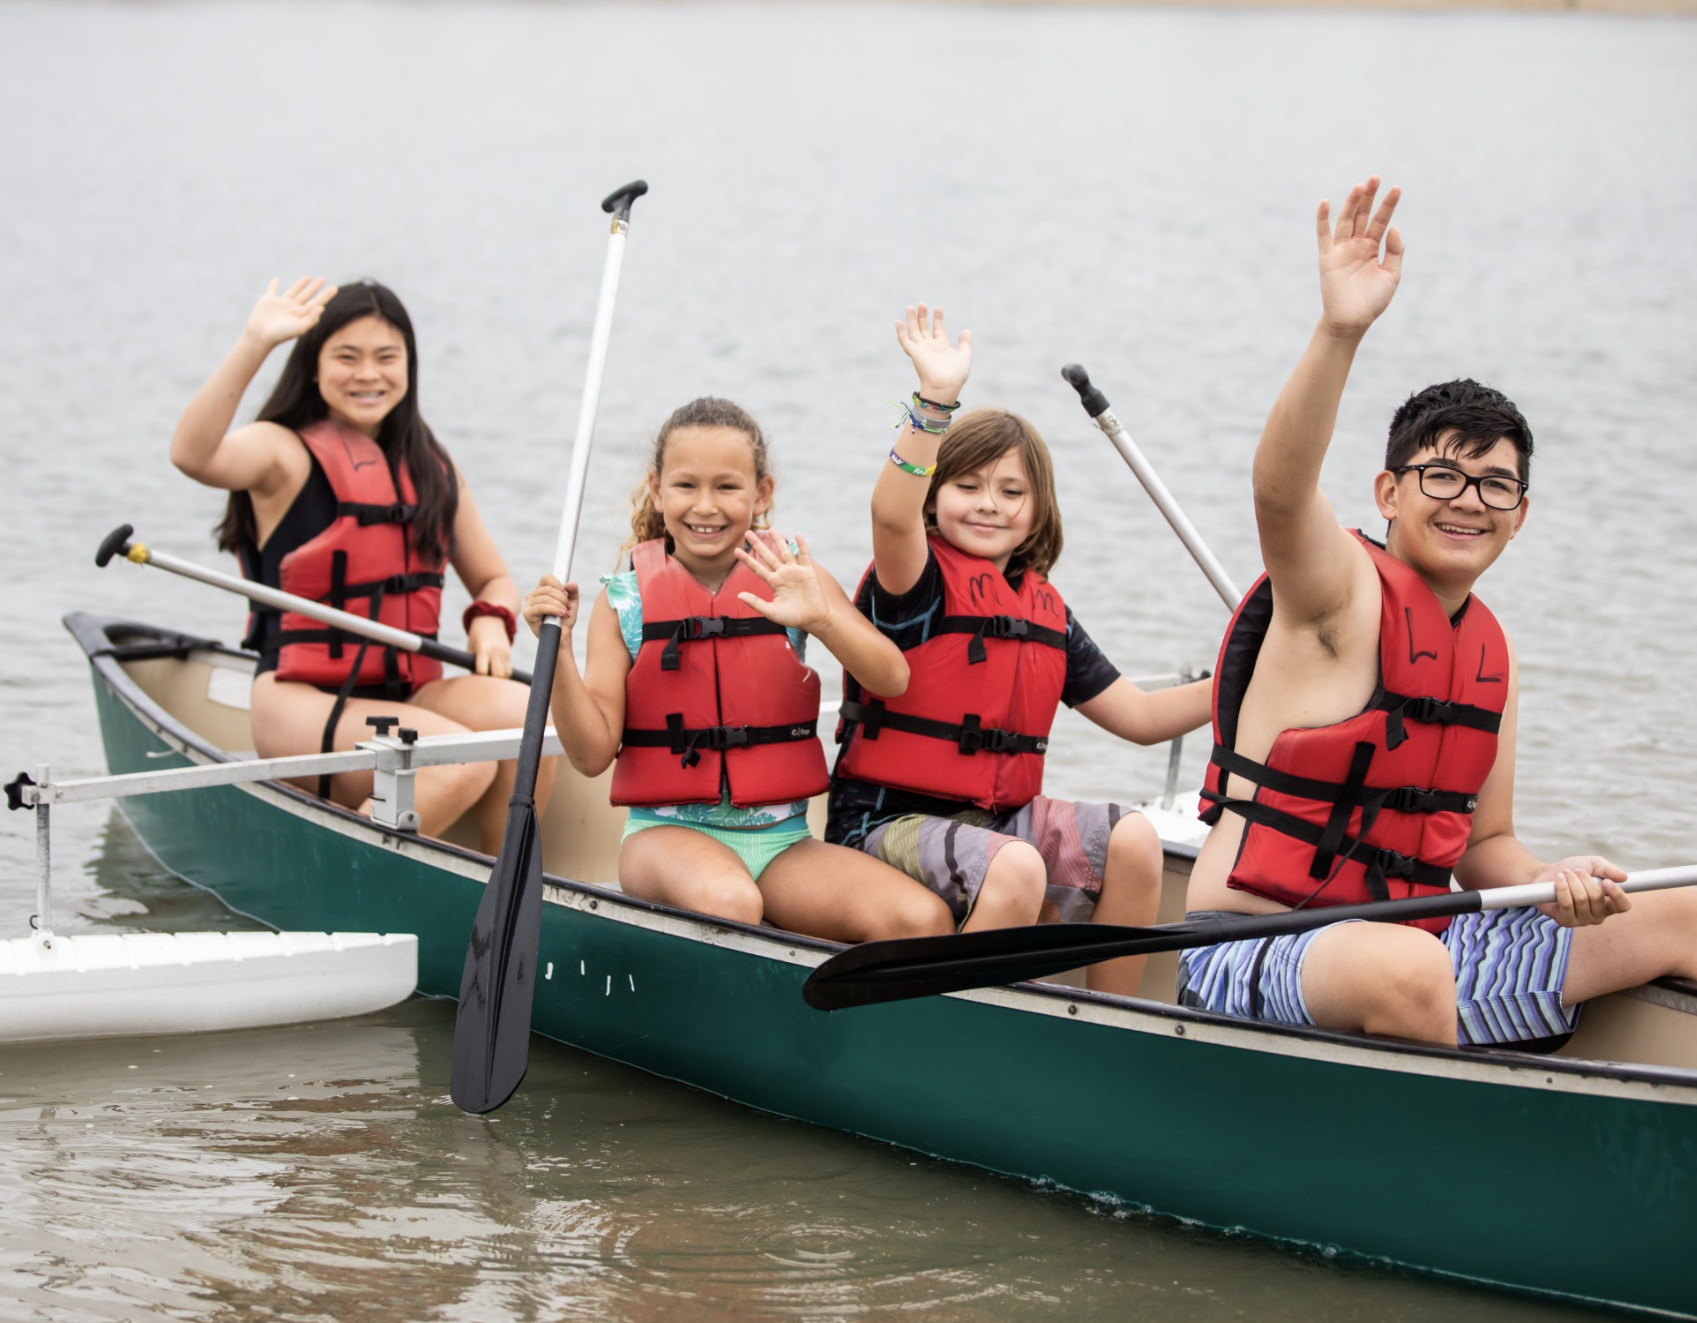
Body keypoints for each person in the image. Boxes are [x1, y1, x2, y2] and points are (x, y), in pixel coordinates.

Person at [1181, 177, 1697, 1047]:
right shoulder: (1335, 592)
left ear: (1521, 511)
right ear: (1390, 492)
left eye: (1496, 483)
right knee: (1409, 970)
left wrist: (1557, 879)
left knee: (1695, 919)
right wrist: (1340, 329)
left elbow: (1486, 846)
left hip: (1421, 946)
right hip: (1255, 946)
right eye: (1443, 477)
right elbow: (1280, 492)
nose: (1469, 500)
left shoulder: (1489, 656)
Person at [826, 307, 1213, 996]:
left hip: (997, 823)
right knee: (1016, 867)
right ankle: (966, 1034)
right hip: (886, 823)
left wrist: (1240, 679)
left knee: (1134, 838)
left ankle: (1110, 1025)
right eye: (967, 486)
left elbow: (1142, 718)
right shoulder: (912, 579)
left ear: (1039, 509)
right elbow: (890, 512)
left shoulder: (1045, 611)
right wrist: (935, 403)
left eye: (1011, 492)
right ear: (935, 496)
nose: (989, 505)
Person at [522, 396, 951, 940]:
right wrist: (556, 656)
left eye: (727, 487)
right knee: (730, 900)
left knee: (923, 918)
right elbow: (589, 755)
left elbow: (892, 677)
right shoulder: (623, 600)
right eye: (685, 486)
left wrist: (820, 618)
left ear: (761, 493)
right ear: (657, 489)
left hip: (783, 843)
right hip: (664, 838)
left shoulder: (792, 574)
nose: (706, 506)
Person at [171, 277, 549, 853]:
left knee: (533, 725)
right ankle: (347, 873)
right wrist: (255, 341)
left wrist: (489, 619)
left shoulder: (429, 466)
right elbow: (192, 455)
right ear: (314, 368)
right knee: (455, 764)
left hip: (405, 694)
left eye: (386, 358)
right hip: (302, 700)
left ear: (409, 367)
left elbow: (492, 577)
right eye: (347, 357)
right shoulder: (282, 451)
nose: (368, 374)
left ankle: (503, 887)